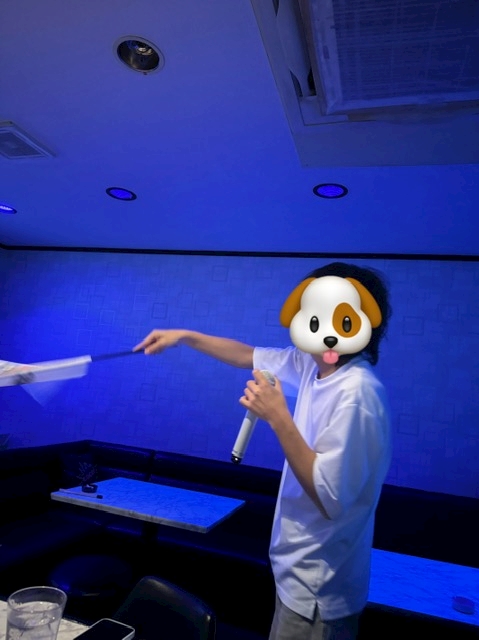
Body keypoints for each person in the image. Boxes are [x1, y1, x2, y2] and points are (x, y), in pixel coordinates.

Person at [134, 262, 392, 640]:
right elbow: (247, 355)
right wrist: (185, 336)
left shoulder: (358, 393)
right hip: (295, 573)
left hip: (319, 590)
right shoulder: (313, 365)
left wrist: (277, 416)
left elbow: (330, 498)